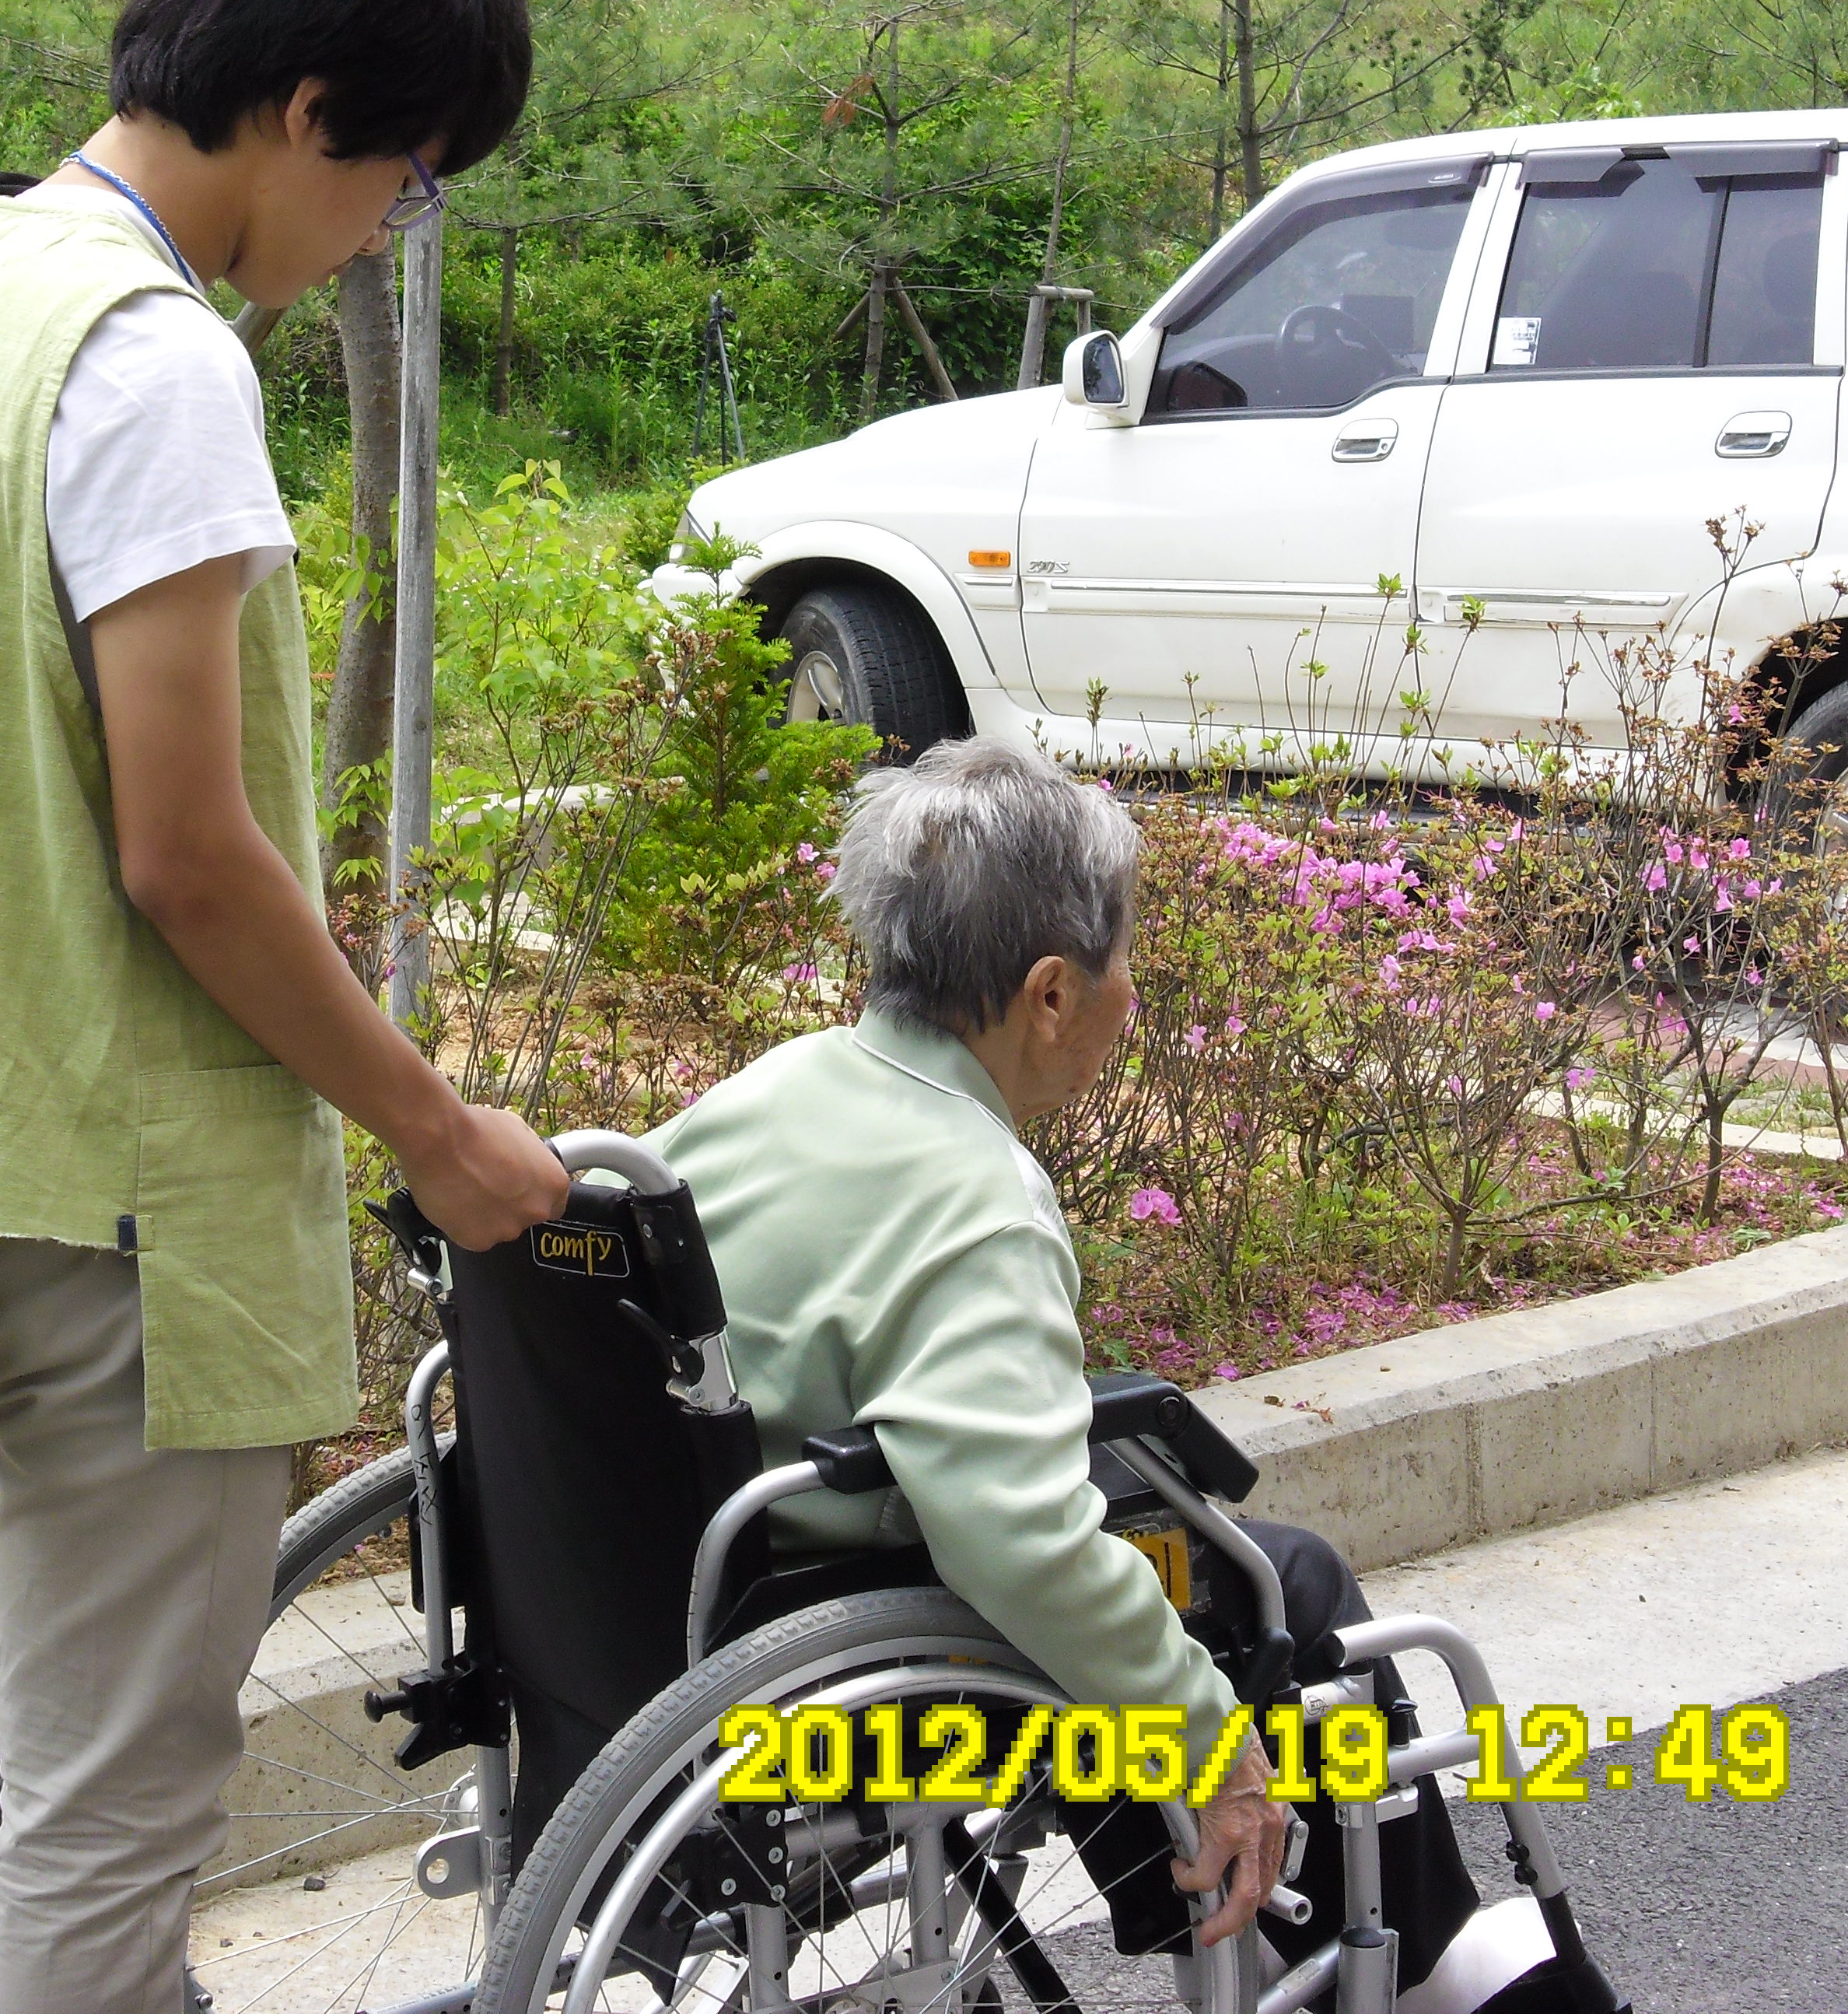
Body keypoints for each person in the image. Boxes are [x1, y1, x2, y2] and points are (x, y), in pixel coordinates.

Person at [0, 0, 569, 2014]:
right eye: (403, 179)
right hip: (120, 1207)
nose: (382, 229)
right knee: (105, 1831)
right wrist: (435, 1129)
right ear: (310, 111)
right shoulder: (157, 361)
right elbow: (187, 853)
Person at [649, 737, 1583, 2013]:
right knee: (1277, 1581)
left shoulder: (774, 1088)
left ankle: (1292, 1924)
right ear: (1049, 994)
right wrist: (1210, 1741)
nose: (1131, 993)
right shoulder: (977, 1202)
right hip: (842, 1669)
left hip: (679, 1608)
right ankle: (1416, 1962)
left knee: (1153, 1547)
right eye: (1122, 961)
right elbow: (1019, 1546)